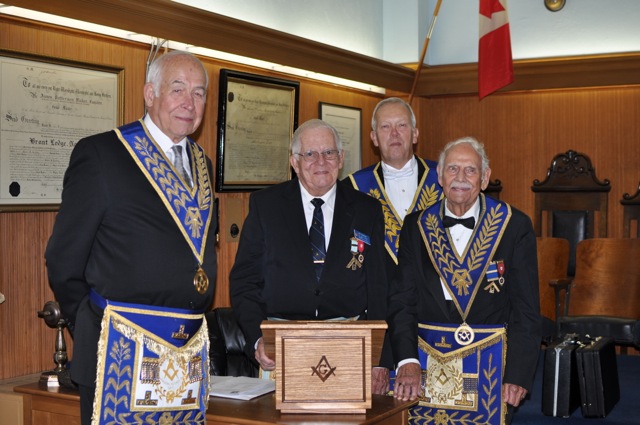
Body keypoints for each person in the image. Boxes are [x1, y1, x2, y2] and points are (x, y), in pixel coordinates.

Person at [45, 50, 217, 425]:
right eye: (178, 89)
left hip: (185, 352)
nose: (190, 103)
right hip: (120, 351)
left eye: (200, 93)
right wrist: (97, 325)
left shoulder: (202, 163)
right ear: (149, 93)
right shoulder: (103, 154)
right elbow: (63, 259)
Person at [229, 118, 392, 393]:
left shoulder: (367, 210)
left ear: (341, 159)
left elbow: (379, 287)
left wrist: (380, 360)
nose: (321, 161)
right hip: (280, 347)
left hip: (349, 344)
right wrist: (258, 340)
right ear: (294, 161)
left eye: (329, 153)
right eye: (310, 154)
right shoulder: (266, 206)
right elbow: (244, 281)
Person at [388, 137, 540, 425]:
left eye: (470, 170)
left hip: (490, 362)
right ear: (440, 177)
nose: (460, 178)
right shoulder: (416, 226)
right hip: (424, 362)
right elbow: (401, 300)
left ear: (484, 178)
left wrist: (518, 374)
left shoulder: (513, 225)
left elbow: (526, 308)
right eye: (453, 169)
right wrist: (406, 360)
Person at [347, 97, 443, 267]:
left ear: (415, 134)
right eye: (385, 126)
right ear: (374, 138)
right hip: (381, 290)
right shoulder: (352, 187)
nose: (394, 133)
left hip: (435, 289)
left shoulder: (444, 178)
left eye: (402, 125)